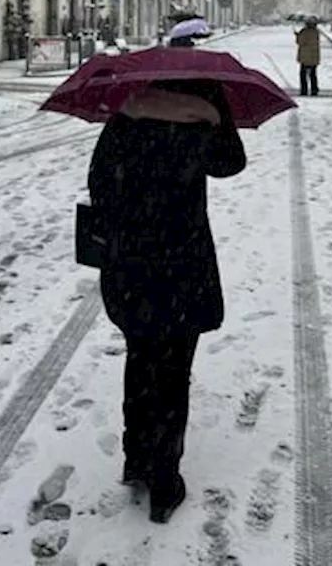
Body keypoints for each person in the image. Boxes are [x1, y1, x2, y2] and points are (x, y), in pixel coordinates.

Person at [87, 77, 247, 523]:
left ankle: (135, 457)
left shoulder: (130, 106)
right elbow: (231, 163)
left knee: (140, 357)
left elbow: (98, 178)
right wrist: (215, 121)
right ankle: (163, 481)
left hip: (132, 259)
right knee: (175, 370)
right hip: (183, 258)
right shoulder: (205, 109)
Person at [295, 16, 321, 96]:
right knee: (313, 74)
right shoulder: (316, 32)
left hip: (305, 57)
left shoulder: (304, 32)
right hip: (314, 57)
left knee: (303, 74)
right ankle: (314, 89)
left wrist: (298, 35)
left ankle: (304, 90)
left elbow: (300, 41)